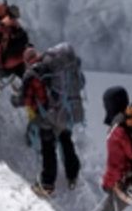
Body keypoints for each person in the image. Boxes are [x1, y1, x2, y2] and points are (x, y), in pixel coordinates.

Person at [21, 44, 85, 198]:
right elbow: (81, 83)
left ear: (26, 61)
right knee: (66, 140)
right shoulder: (54, 67)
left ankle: (47, 185)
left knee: (48, 149)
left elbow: (26, 100)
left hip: (49, 116)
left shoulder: (33, 73)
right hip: (66, 111)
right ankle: (73, 174)